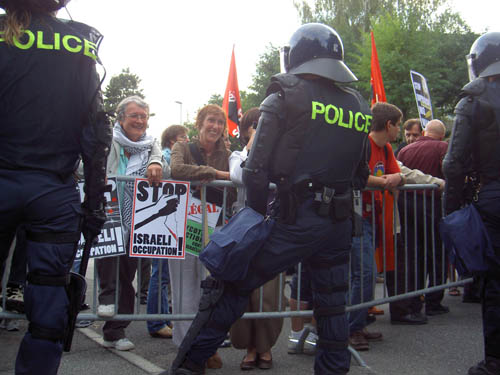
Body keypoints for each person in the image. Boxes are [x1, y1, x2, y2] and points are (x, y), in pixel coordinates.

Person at [167, 23, 371, 375]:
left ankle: (186, 367)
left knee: (228, 284)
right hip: (338, 221)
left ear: (296, 57)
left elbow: (256, 168)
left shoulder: (284, 96)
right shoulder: (357, 104)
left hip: (294, 217)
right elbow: (360, 173)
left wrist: (255, 222)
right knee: (332, 304)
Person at [0, 1, 112, 373]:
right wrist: (95, 202)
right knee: (49, 310)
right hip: (54, 191)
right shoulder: (78, 41)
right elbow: (96, 132)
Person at [442, 31, 500, 375]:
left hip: (493, 195)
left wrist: (451, 212)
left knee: (495, 281)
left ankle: (495, 359)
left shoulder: (474, 99)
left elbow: (453, 162)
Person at [95, 96, 164, 351]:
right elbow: (85, 164)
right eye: (134, 115)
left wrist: (156, 163)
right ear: (121, 118)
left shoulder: (151, 144)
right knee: (107, 259)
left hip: (137, 218)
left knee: (128, 275)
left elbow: (163, 166)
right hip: (109, 213)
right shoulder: (106, 140)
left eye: (143, 116)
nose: (139, 121)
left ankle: (115, 331)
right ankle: (104, 300)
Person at [170, 104, 232, 369]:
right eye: (211, 121)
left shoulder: (228, 154)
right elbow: (176, 170)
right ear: (200, 123)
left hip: (216, 226)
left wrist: (208, 175)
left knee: (211, 291)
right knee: (184, 288)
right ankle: (185, 348)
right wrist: (213, 173)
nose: (215, 126)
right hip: (183, 223)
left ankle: (206, 346)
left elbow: (238, 179)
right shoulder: (182, 148)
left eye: (220, 122)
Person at [228, 107, 285, 370]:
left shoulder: (280, 155)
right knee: (244, 292)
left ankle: (265, 346)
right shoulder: (237, 155)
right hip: (244, 230)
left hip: (272, 229)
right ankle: (249, 347)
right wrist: (253, 145)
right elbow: (239, 175)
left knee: (269, 293)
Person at [348, 102, 403, 351]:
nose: (400, 130)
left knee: (366, 274)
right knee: (365, 273)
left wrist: (397, 178)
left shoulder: (387, 148)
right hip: (356, 218)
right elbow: (357, 178)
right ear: (388, 125)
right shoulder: (363, 145)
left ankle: (358, 324)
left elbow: (395, 175)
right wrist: (386, 181)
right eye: (398, 124)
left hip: (373, 217)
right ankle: (351, 328)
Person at [397, 119, 450, 317]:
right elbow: (449, 170)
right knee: (436, 252)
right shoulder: (442, 147)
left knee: (413, 253)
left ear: (425, 132)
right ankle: (433, 301)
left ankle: (415, 299)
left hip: (406, 206)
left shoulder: (404, 151)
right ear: (442, 135)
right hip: (431, 205)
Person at [145, 124, 189, 339]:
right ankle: (156, 322)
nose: (187, 140)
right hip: (164, 221)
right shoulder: (166, 158)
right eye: (183, 137)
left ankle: (162, 317)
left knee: (163, 273)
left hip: (169, 220)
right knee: (160, 273)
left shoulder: (167, 156)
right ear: (172, 140)